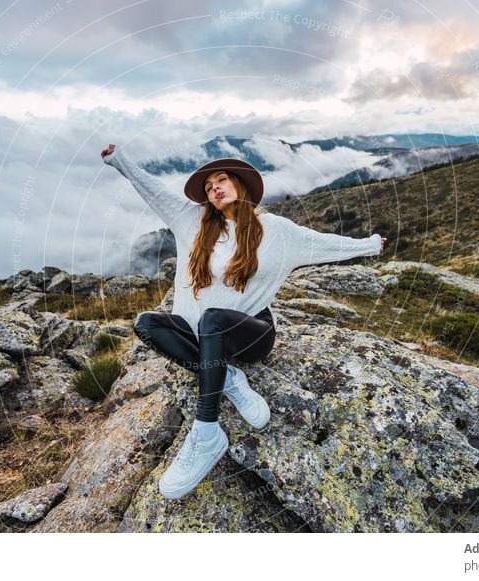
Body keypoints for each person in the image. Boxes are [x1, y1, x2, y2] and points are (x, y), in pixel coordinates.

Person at [100, 142, 386, 500]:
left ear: (241, 185)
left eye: (222, 180)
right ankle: (229, 377)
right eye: (208, 187)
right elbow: (153, 189)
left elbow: (322, 243)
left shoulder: (277, 231)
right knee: (147, 322)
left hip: (252, 334)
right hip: (202, 334)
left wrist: (369, 244)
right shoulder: (191, 222)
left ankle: (206, 432)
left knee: (214, 318)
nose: (214, 188)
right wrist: (120, 160)